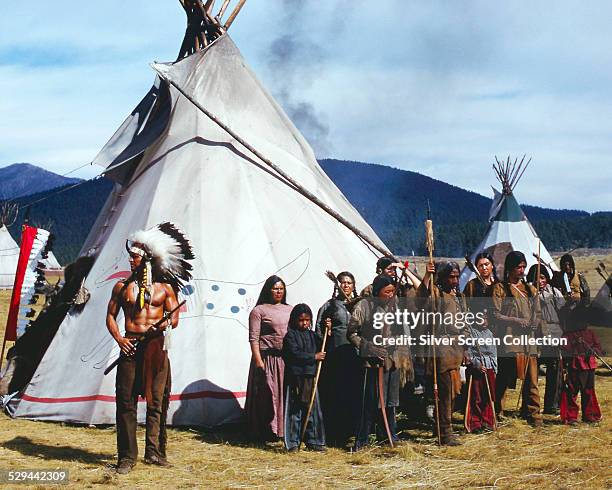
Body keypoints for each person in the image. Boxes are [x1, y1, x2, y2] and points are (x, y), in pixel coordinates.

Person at [106, 222, 193, 474]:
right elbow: (110, 317)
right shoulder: (122, 288)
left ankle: (154, 452)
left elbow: (174, 318)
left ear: (145, 260)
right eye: (131, 257)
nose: (130, 261)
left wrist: (164, 323)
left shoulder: (165, 289)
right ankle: (126, 457)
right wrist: (120, 340)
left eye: (134, 258)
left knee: (156, 402)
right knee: (125, 402)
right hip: (130, 346)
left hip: (156, 349)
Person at [348, 274, 413, 450]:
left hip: (391, 360)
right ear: (377, 292)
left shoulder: (396, 308)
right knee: (371, 401)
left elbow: (401, 332)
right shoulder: (365, 306)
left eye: (393, 291)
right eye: (387, 292)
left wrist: (394, 342)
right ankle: (362, 441)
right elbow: (352, 333)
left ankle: (388, 436)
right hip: (371, 363)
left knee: (390, 402)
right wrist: (369, 347)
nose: (391, 295)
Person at [491, 251, 542, 426]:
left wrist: (535, 322)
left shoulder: (530, 289)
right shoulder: (500, 288)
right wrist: (516, 321)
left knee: (532, 380)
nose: (521, 270)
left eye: (523, 267)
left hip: (529, 342)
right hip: (510, 341)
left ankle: (534, 415)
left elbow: (537, 312)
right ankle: (496, 413)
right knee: (504, 379)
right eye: (518, 267)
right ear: (510, 268)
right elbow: (495, 315)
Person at [418, 261, 466, 446]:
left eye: (456, 277)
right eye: (450, 277)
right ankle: (444, 432)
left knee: (453, 392)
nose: (454, 280)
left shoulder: (458, 297)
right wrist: (428, 275)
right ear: (443, 278)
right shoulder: (437, 295)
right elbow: (422, 297)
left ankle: (441, 428)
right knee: (445, 393)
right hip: (442, 349)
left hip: (456, 349)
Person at [315, 271, 362, 447]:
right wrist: (326, 330)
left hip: (354, 355)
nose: (346, 285)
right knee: (334, 394)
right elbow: (318, 331)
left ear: (354, 285)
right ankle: (332, 432)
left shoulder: (360, 305)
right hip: (335, 355)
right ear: (337, 285)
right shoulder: (329, 306)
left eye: (349, 282)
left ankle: (350, 432)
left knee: (352, 394)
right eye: (343, 282)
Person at [245, 275, 293, 442]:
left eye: (281, 289)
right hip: (267, 359)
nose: (278, 292)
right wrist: (259, 362)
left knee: (282, 395)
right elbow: (254, 338)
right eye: (275, 288)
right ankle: (265, 430)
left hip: (285, 359)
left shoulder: (290, 309)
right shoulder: (259, 311)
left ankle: (281, 430)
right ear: (268, 290)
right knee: (268, 395)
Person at [282, 304, 327, 452]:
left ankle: (314, 440)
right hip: (296, 377)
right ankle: (293, 442)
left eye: (307, 320)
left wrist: (329, 329)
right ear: (295, 320)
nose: (305, 323)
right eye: (301, 320)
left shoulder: (312, 335)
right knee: (295, 410)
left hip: (311, 376)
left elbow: (323, 343)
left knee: (313, 409)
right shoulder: (290, 336)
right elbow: (294, 354)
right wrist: (313, 356)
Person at [527, 263, 565, 415]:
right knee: (533, 370)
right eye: (536, 279)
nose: (540, 281)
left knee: (555, 368)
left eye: (542, 278)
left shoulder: (554, 292)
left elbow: (563, 311)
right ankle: (530, 405)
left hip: (555, 333)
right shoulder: (529, 293)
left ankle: (552, 404)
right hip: (537, 335)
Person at [559, 325, 603, 424]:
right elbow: (563, 348)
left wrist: (593, 351)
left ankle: (590, 415)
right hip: (575, 365)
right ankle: (570, 417)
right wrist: (574, 343)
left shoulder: (590, 332)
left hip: (589, 364)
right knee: (572, 391)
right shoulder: (568, 334)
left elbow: (598, 347)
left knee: (589, 391)